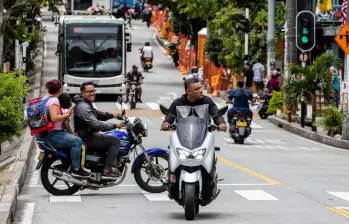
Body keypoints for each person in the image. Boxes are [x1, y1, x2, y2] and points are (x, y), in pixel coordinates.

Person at [37, 80, 90, 178]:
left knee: (74, 138)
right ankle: (76, 169)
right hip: (53, 135)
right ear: (60, 89)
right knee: (77, 141)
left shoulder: (44, 99)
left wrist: (71, 132)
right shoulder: (54, 100)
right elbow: (54, 118)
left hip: (44, 134)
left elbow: (63, 121)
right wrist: (67, 114)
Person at [73, 82, 125, 179]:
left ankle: (99, 167)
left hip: (88, 135)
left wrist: (113, 115)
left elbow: (97, 114)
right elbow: (96, 124)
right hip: (87, 138)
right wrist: (115, 125)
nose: (92, 93)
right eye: (89, 92)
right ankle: (107, 170)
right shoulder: (83, 107)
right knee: (115, 141)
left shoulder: (85, 103)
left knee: (107, 139)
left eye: (93, 91)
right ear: (82, 93)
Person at [161, 77, 227, 131]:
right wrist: (166, 123)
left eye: (201, 87)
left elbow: (216, 115)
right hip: (182, 135)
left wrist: (221, 123)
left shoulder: (207, 101)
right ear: (188, 91)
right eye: (197, 89)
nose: (201, 91)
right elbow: (170, 116)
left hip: (204, 135)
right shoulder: (178, 103)